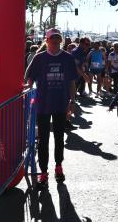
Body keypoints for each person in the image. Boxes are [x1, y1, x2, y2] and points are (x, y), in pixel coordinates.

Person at [24, 28, 78, 185]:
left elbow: (72, 82)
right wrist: (28, 89)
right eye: (52, 40)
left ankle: (59, 166)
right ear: (46, 41)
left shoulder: (67, 58)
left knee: (59, 137)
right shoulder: (39, 58)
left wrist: (72, 101)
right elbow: (29, 77)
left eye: (58, 39)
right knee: (43, 140)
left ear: (61, 41)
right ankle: (44, 172)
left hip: (61, 104)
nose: (55, 42)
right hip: (43, 104)